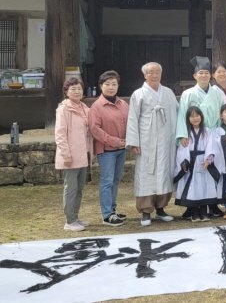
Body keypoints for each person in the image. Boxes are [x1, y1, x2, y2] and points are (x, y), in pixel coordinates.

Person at [126, 62, 178, 226]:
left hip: (165, 139)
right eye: (151, 72)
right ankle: (146, 211)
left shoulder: (168, 93)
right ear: (145, 75)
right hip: (146, 139)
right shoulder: (138, 94)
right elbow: (133, 118)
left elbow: (177, 113)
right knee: (146, 174)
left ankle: (161, 208)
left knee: (164, 171)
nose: (154, 75)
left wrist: (178, 136)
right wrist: (133, 141)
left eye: (157, 72)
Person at [176, 56, 226, 218]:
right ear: (195, 76)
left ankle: (213, 204)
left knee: (213, 167)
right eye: (201, 73)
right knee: (193, 170)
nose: (204, 75)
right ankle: (191, 204)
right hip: (194, 136)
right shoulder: (188, 93)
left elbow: (225, 110)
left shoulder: (217, 92)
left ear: (210, 75)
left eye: (206, 73)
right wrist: (182, 134)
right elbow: (182, 114)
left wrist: (224, 130)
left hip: (212, 134)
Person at [88, 70, 129, 227]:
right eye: (107, 84)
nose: (111, 87)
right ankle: (107, 214)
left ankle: (113, 209)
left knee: (116, 180)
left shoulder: (123, 104)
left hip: (121, 149)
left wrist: (127, 141)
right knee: (107, 181)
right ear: (101, 86)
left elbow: (130, 123)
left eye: (114, 84)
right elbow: (95, 129)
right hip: (106, 150)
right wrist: (114, 141)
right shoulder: (97, 107)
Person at [55, 77, 93, 232]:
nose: (77, 91)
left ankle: (75, 217)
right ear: (66, 92)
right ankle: (69, 221)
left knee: (79, 189)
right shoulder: (63, 109)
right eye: (73, 89)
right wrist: (66, 154)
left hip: (83, 154)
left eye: (79, 88)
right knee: (71, 188)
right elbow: (60, 134)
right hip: (70, 156)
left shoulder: (84, 107)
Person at [174, 106, 223, 222]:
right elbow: (181, 149)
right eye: (192, 116)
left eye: (197, 115)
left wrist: (208, 160)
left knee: (205, 186)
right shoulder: (185, 133)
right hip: (190, 162)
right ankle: (194, 212)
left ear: (201, 116)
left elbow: (211, 146)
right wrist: (184, 162)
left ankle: (204, 211)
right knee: (193, 187)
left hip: (203, 162)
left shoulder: (207, 131)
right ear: (188, 119)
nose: (195, 118)